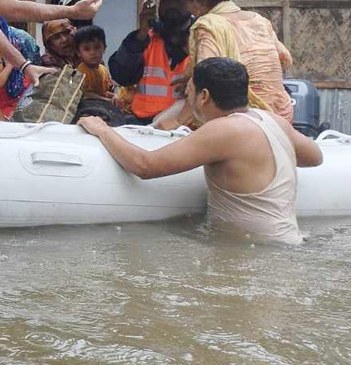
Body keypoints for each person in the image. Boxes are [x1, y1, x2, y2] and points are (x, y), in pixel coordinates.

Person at [79, 58, 322, 244]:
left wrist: (102, 129)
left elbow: (145, 166)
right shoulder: (271, 120)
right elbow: (315, 157)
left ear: (203, 96)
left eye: (189, 93)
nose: (188, 99)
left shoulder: (222, 131)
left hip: (254, 252)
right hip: (289, 241)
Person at [165, 0, 293, 128]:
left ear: (198, 1)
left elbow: (207, 81)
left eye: (185, 2)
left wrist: (175, 123)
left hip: (246, 121)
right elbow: (285, 60)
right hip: (281, 116)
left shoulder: (209, 25)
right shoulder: (259, 20)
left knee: (163, 123)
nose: (187, 10)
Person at [109, 0, 193, 125]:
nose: (172, 4)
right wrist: (141, 34)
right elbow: (122, 76)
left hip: (186, 127)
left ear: (192, 2)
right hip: (144, 125)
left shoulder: (203, 39)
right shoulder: (144, 39)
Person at [73, 25, 115, 102]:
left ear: (104, 48)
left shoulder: (104, 70)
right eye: (87, 49)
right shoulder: (80, 72)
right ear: (78, 52)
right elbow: (84, 94)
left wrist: (115, 96)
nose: (92, 53)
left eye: (97, 47)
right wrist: (106, 100)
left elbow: (104, 92)